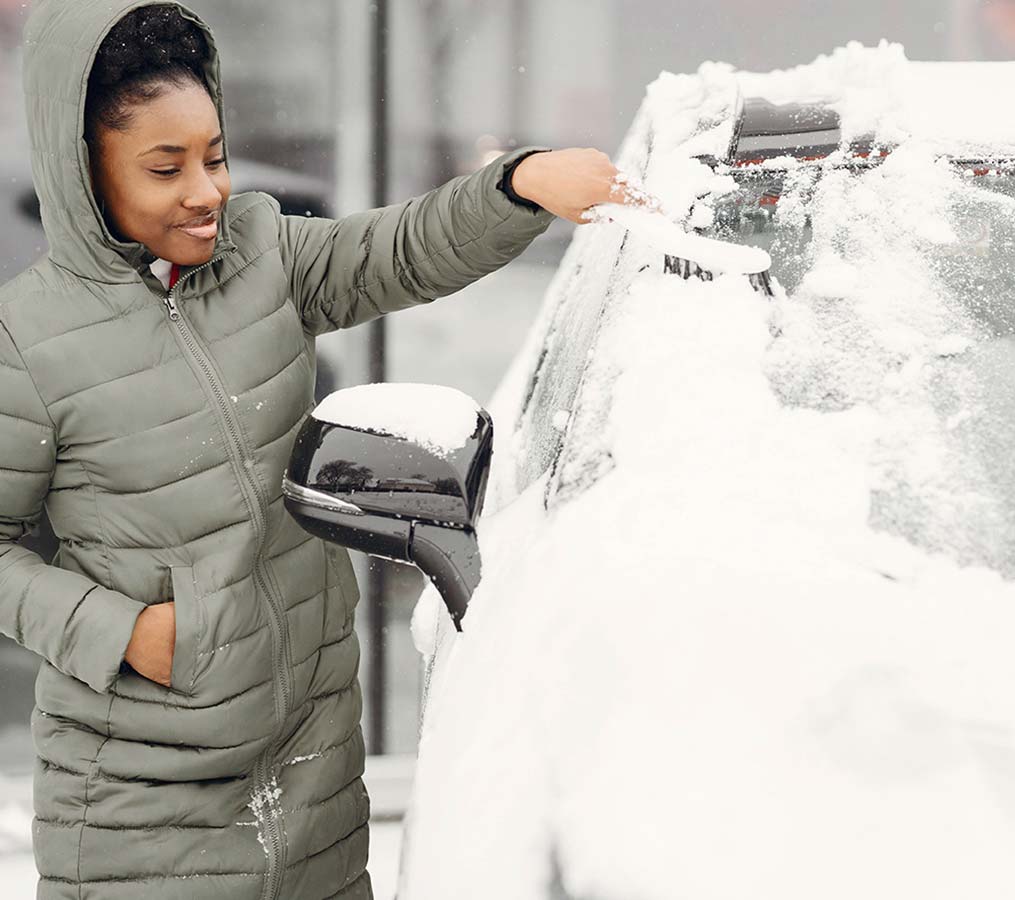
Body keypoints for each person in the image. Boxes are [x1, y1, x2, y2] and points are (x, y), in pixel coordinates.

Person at [0, 2, 634, 897]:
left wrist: (517, 186)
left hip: (313, 771)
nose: (207, 190)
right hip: (140, 806)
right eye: (164, 168)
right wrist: (125, 633)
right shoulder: (28, 339)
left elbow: (398, 250)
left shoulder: (262, 252)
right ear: (85, 175)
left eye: (215, 156)